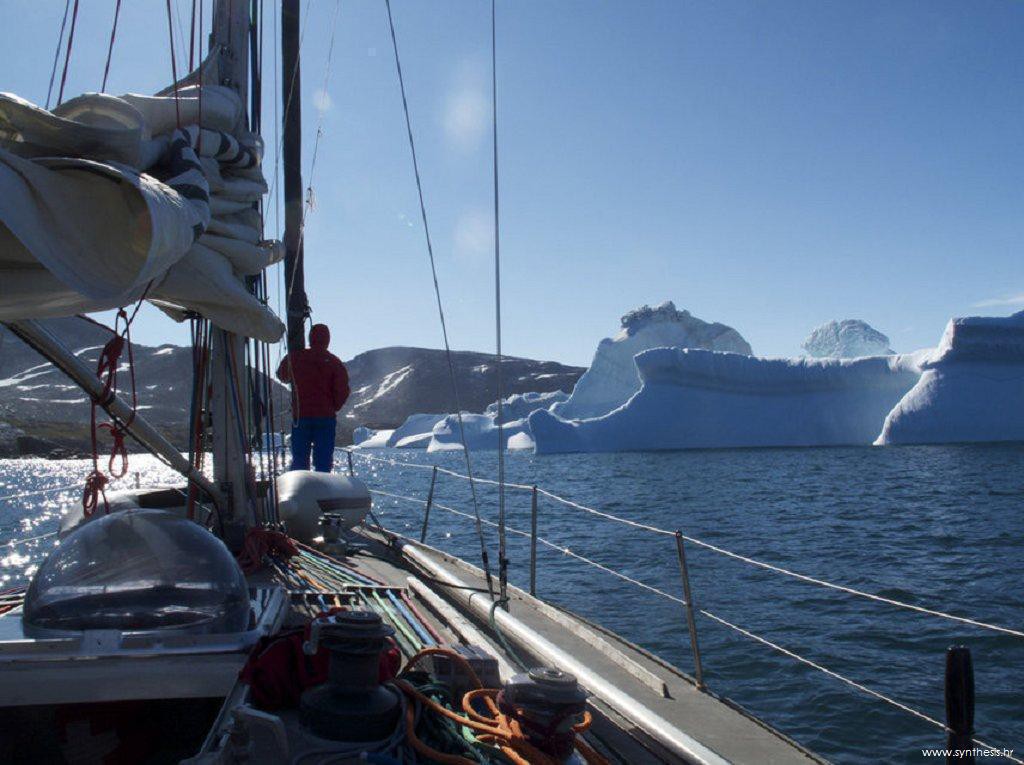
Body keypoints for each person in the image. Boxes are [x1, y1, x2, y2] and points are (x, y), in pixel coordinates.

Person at [276, 324, 350, 472]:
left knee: (300, 460)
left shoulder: (296, 358)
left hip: (301, 417)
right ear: (327, 340)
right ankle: (321, 491)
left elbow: (282, 375)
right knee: (323, 461)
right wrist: (333, 406)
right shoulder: (334, 362)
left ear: (310, 338)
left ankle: (301, 491)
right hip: (325, 418)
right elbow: (342, 390)